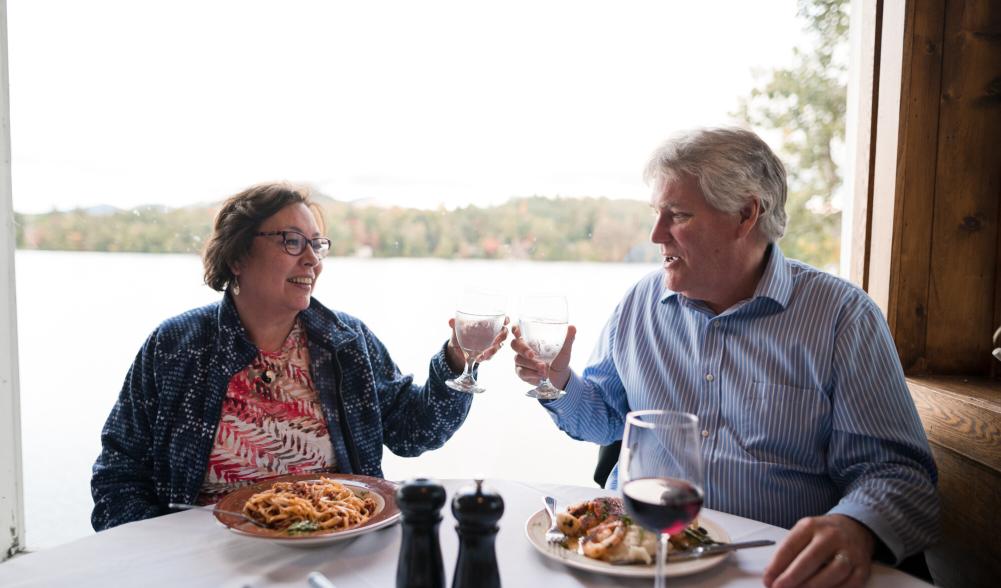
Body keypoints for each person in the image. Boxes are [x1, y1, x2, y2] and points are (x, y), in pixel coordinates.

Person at [511, 128, 939, 588]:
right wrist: (557, 382)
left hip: (769, 571)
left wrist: (856, 526)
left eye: (677, 215)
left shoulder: (842, 319)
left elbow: (897, 474)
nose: (656, 235)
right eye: (657, 214)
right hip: (633, 557)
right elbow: (603, 421)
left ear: (745, 214)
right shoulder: (639, 304)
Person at [91, 182, 507, 531]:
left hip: (336, 549)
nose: (311, 260)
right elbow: (118, 476)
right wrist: (159, 561)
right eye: (292, 241)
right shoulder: (177, 346)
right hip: (208, 561)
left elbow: (413, 432)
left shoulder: (345, 342)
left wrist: (456, 360)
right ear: (237, 256)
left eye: (317, 245)